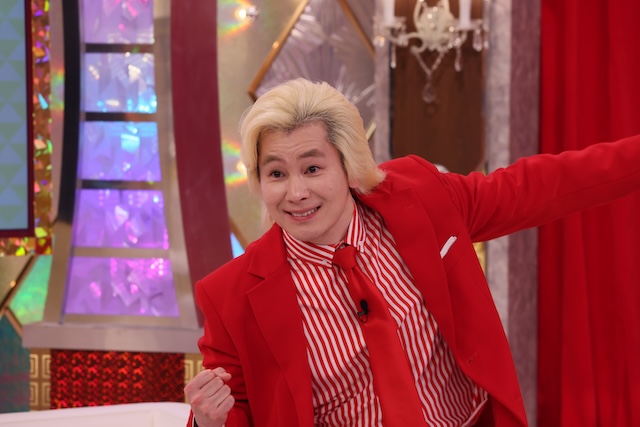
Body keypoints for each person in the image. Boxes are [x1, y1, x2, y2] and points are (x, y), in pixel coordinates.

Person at [184, 78, 640, 427]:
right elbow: (235, 412)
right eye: (276, 174)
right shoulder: (229, 296)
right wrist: (208, 421)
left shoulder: (421, 198)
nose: (296, 192)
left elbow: (535, 188)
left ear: (348, 166)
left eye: (313, 168)